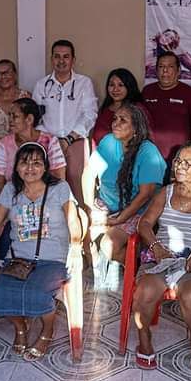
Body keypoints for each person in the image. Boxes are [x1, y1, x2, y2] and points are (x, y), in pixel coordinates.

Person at [0, 142, 82, 361]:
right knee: (0, 292)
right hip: (18, 259)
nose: (30, 168)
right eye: (24, 162)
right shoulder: (10, 190)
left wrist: (75, 245)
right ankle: (20, 327)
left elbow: (73, 220)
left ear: (45, 167)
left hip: (53, 259)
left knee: (38, 293)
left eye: (36, 163)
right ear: (16, 167)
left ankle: (47, 331)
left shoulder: (60, 188)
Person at [133, 141, 191, 371]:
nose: (179, 166)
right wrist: (156, 247)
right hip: (163, 257)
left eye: (187, 163)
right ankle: (144, 339)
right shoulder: (166, 192)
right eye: (177, 161)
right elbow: (144, 224)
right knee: (144, 293)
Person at [82, 103, 166, 289]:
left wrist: (119, 219)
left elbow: (145, 195)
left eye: (123, 120)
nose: (116, 123)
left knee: (108, 245)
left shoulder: (148, 152)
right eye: (115, 119)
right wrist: (89, 208)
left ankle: (138, 266)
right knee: (80, 232)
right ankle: (97, 269)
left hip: (137, 209)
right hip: (106, 205)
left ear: (135, 128)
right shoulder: (108, 142)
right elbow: (88, 174)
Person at [32, 39, 97, 202]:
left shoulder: (84, 83)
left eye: (66, 56)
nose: (61, 61)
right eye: (57, 56)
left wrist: (68, 139)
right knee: (48, 178)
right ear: (51, 59)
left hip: (75, 139)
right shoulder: (41, 85)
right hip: (48, 141)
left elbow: (90, 114)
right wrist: (51, 140)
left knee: (76, 176)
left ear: (73, 60)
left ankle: (81, 212)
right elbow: (36, 117)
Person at [0, 98, 66, 192]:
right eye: (9, 115)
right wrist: (5, 197)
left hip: (46, 195)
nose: (10, 120)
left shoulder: (50, 141)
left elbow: (59, 175)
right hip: (14, 195)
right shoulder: (4, 143)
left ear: (29, 119)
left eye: (15, 116)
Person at [143, 51, 191, 164]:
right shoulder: (147, 91)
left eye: (170, 67)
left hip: (180, 159)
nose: (165, 70)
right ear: (156, 70)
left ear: (178, 70)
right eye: (161, 66)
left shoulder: (189, 92)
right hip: (150, 158)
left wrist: (190, 153)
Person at [91, 68, 152, 145]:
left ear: (129, 86)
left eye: (120, 85)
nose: (115, 89)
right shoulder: (104, 109)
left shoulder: (137, 109)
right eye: (112, 85)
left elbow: (146, 137)